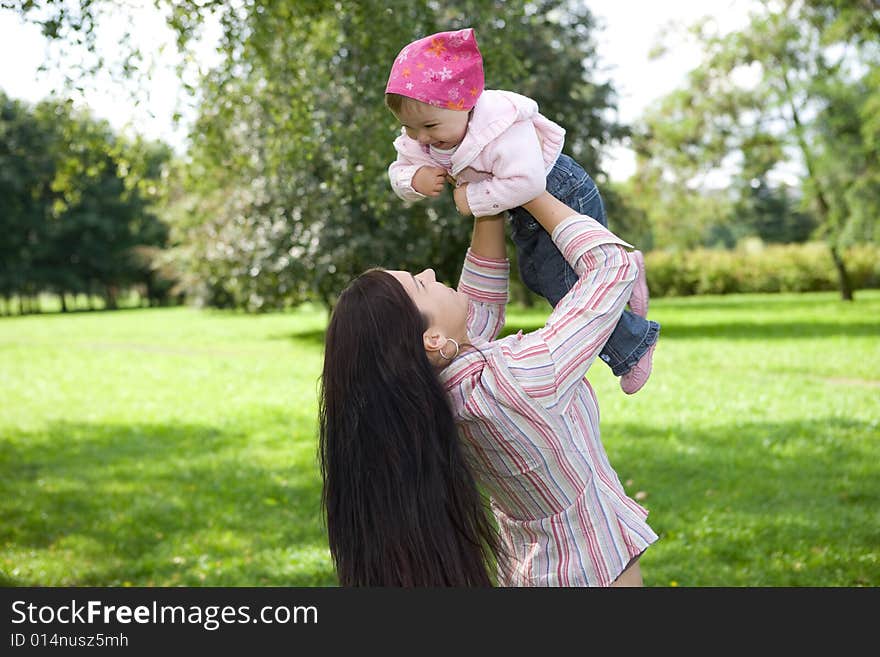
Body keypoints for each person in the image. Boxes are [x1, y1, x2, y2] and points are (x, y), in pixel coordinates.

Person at [319, 190, 659, 586]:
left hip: (536, 570)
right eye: (419, 283)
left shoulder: (436, 392)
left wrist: (488, 195)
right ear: (430, 340)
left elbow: (477, 308)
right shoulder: (519, 378)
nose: (429, 273)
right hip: (595, 569)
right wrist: (530, 189)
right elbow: (612, 268)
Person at [383, 27, 660, 394]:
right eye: (410, 128)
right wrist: (414, 179)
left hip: (560, 189)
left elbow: (529, 184)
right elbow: (399, 168)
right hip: (516, 206)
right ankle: (623, 271)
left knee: (560, 281)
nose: (421, 138)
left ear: (465, 104)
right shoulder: (427, 134)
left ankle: (634, 347)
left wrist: (474, 198)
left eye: (430, 126)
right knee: (536, 275)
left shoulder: (501, 125)